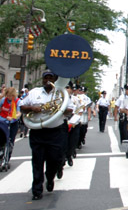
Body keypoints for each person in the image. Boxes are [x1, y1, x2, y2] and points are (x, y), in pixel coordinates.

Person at [20, 69, 74, 200]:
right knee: (37, 161)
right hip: (38, 131)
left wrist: (60, 109)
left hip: (55, 132)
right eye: (45, 78)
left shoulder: (61, 94)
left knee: (54, 159)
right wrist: (33, 108)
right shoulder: (34, 92)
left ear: (55, 79)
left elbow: (70, 110)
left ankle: (50, 178)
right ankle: (37, 190)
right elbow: (21, 106)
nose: (47, 80)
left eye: (50, 77)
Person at [0, 87, 22, 164]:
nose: (9, 97)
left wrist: (13, 117)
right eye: (8, 95)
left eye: (11, 96)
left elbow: (19, 113)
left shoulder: (18, 101)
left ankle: (7, 158)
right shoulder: (3, 100)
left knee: (11, 141)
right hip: (2, 122)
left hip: (12, 122)